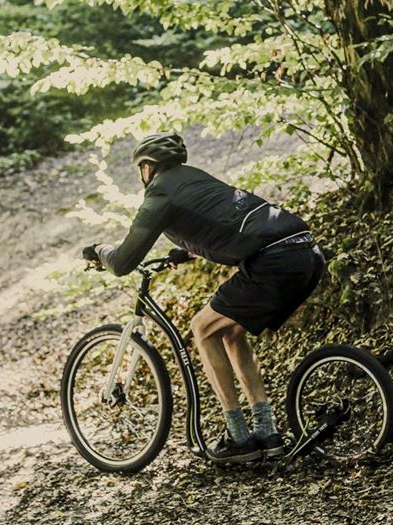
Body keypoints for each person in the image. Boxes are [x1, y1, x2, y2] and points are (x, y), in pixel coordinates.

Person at [82, 132, 325, 463]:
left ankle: (238, 436)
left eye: (140, 169)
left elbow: (124, 261)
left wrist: (98, 251)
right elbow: (226, 222)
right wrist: (183, 253)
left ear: (148, 167)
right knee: (231, 333)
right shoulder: (195, 179)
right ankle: (266, 433)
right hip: (305, 250)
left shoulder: (160, 192)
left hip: (273, 259)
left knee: (202, 328)